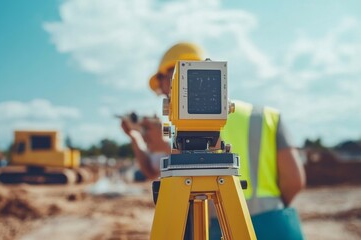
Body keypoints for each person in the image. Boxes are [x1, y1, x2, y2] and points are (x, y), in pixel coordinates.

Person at [122, 42, 306, 239]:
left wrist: (147, 142)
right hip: (274, 225)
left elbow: (151, 171)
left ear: (175, 79)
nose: (166, 95)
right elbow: (294, 181)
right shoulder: (265, 117)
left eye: (166, 85)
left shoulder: (180, 132)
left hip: (217, 228)